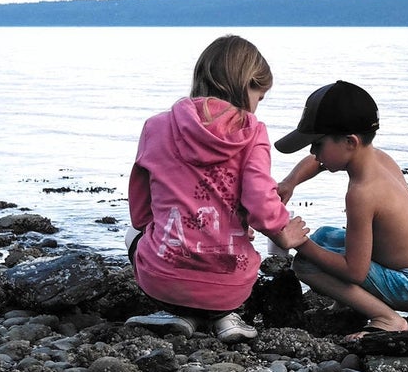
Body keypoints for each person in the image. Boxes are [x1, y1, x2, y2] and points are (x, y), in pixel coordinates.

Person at [126, 35, 295, 340]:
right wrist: (283, 230)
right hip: (232, 289)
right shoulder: (253, 132)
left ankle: (179, 316)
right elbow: (262, 204)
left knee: (133, 234)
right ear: (246, 85)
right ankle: (225, 319)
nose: (256, 107)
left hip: (162, 282)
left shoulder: (156, 126)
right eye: (259, 97)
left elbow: (140, 212)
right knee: (237, 247)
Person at [273, 80, 408, 337]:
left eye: (317, 143)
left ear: (350, 142)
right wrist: (290, 182)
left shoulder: (362, 193)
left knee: (305, 264)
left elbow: (355, 271)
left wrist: (299, 243)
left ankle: (387, 318)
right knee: (324, 236)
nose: (312, 150)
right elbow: (317, 161)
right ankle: (348, 303)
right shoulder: (378, 158)